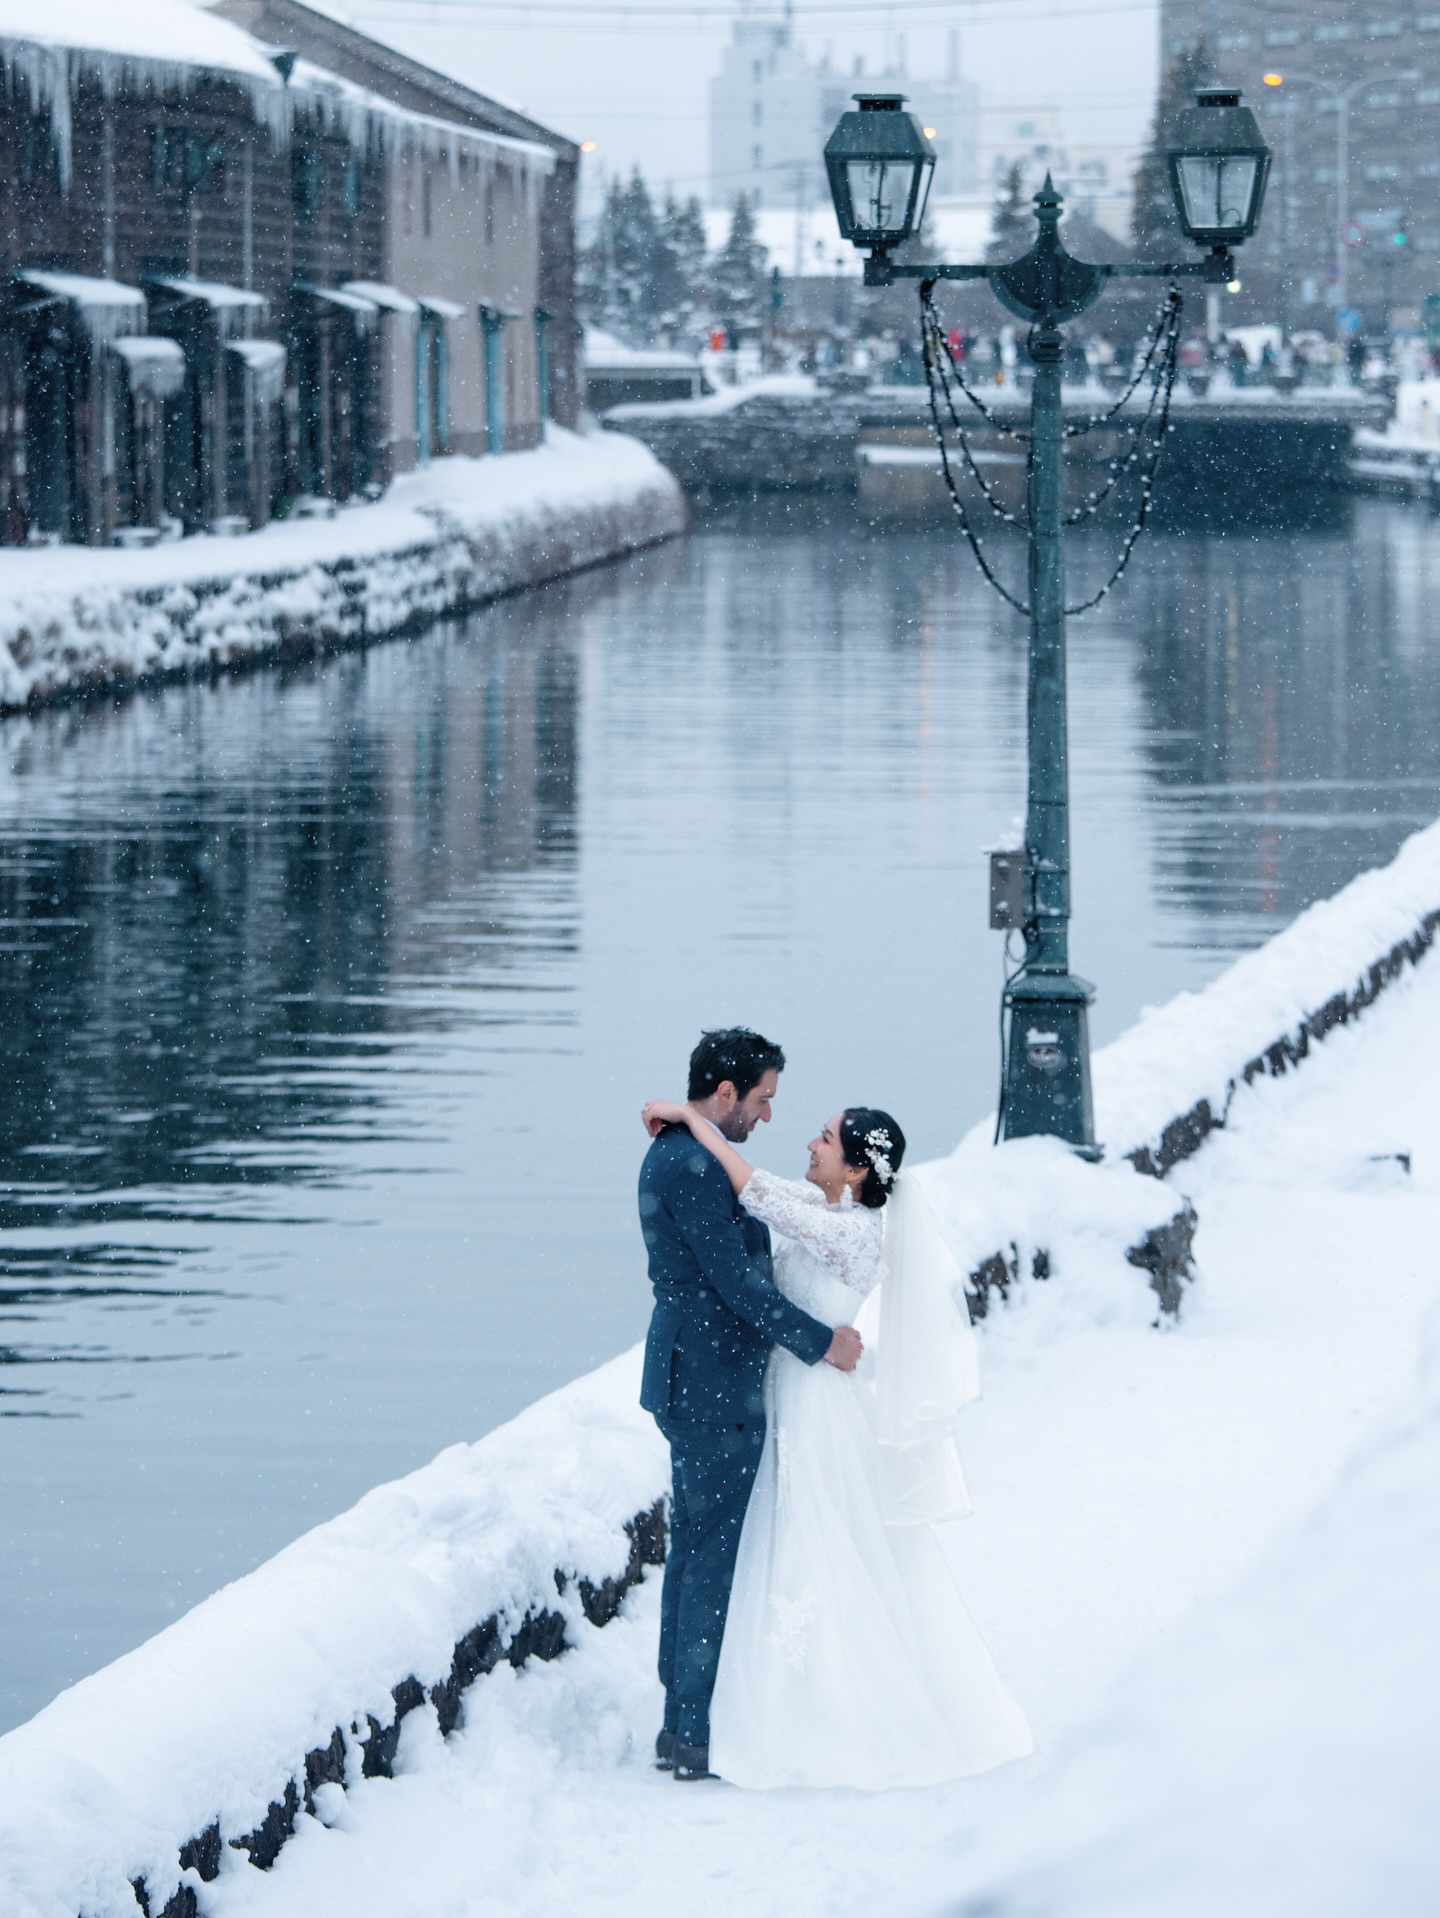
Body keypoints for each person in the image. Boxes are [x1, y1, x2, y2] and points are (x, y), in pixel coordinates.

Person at [640, 1093, 1034, 1791]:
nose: (811, 1143)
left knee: (809, 1544)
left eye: (824, 1138)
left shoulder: (856, 1233)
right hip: (789, 1392)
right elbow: (765, 1184)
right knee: (782, 1542)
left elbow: (751, 1186)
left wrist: (692, 1120)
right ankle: (756, 1703)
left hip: (816, 1404)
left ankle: (822, 1715)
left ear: (855, 1169)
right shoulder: (828, 1212)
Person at [637, 1028, 863, 1783]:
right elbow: (737, 1286)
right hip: (709, 1383)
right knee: (710, 1556)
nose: (768, 1116)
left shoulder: (686, 1152)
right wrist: (821, 1342)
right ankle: (692, 1733)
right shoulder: (692, 1166)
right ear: (726, 1093)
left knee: (697, 1549)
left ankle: (682, 1721)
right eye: (763, 1099)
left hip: (697, 1373)